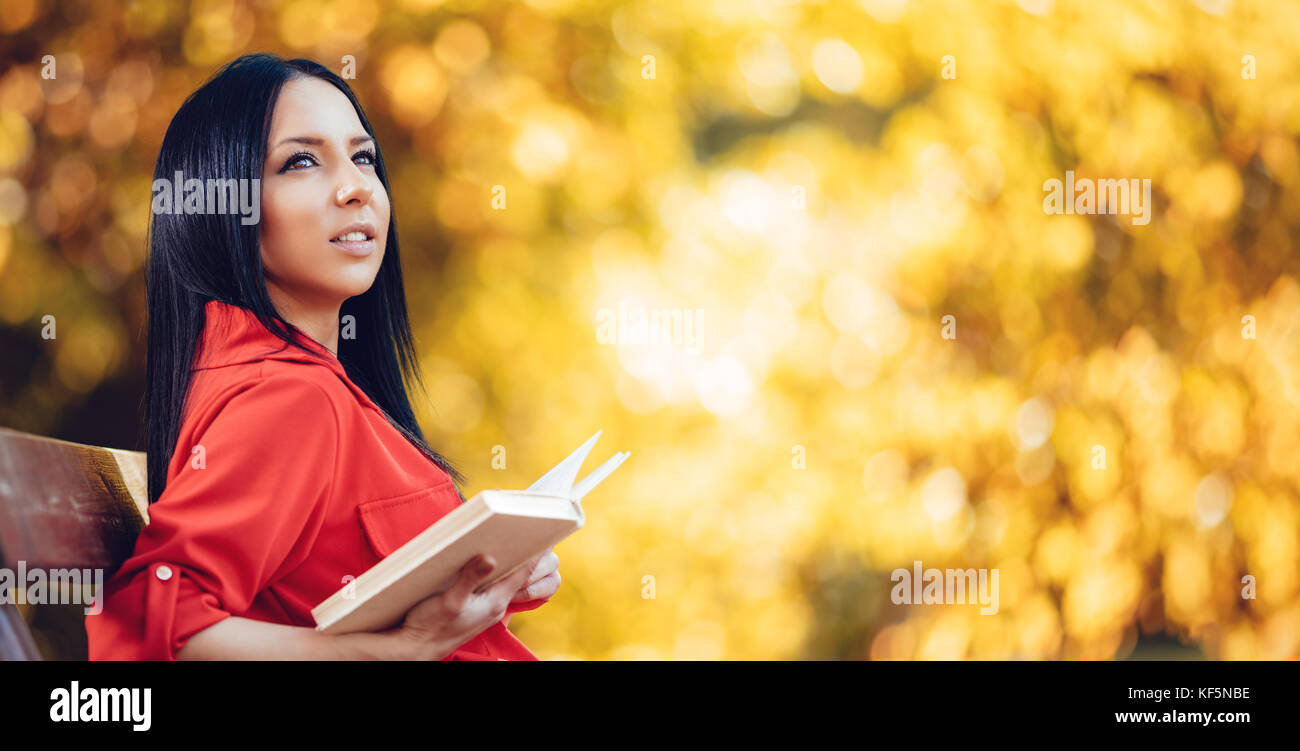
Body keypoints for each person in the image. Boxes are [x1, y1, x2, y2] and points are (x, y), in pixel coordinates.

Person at [86, 53, 559, 660]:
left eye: (363, 157)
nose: (357, 186)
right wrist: (399, 651)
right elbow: (140, 627)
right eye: (301, 161)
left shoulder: (305, 384)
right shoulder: (288, 397)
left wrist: (496, 572)